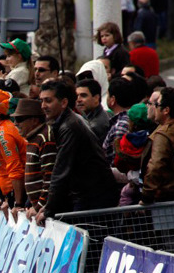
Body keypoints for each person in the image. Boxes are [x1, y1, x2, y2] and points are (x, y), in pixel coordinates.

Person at [38, 80, 118, 222]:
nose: (43, 106)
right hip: (85, 194)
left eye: (48, 101)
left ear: (63, 103)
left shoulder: (69, 126)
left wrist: (49, 209)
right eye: (42, 101)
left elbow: (60, 170)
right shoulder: (64, 122)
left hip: (94, 196)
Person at [140, 87, 174, 203]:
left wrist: (147, 195)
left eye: (157, 104)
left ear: (166, 110)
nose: (154, 107)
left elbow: (156, 165)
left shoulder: (164, 134)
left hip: (167, 197)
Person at [11, 98, 56, 217]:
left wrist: (39, 206)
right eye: (14, 119)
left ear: (34, 120)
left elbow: (49, 177)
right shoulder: (32, 139)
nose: (15, 123)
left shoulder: (45, 138)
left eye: (19, 119)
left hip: (45, 211)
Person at [102, 78, 135, 164]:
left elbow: (116, 163)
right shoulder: (129, 119)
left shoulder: (120, 127)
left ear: (113, 100)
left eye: (108, 95)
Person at [75, 79, 111, 143]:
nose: (78, 99)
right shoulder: (105, 114)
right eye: (76, 96)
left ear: (96, 98)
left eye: (83, 95)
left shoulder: (95, 126)